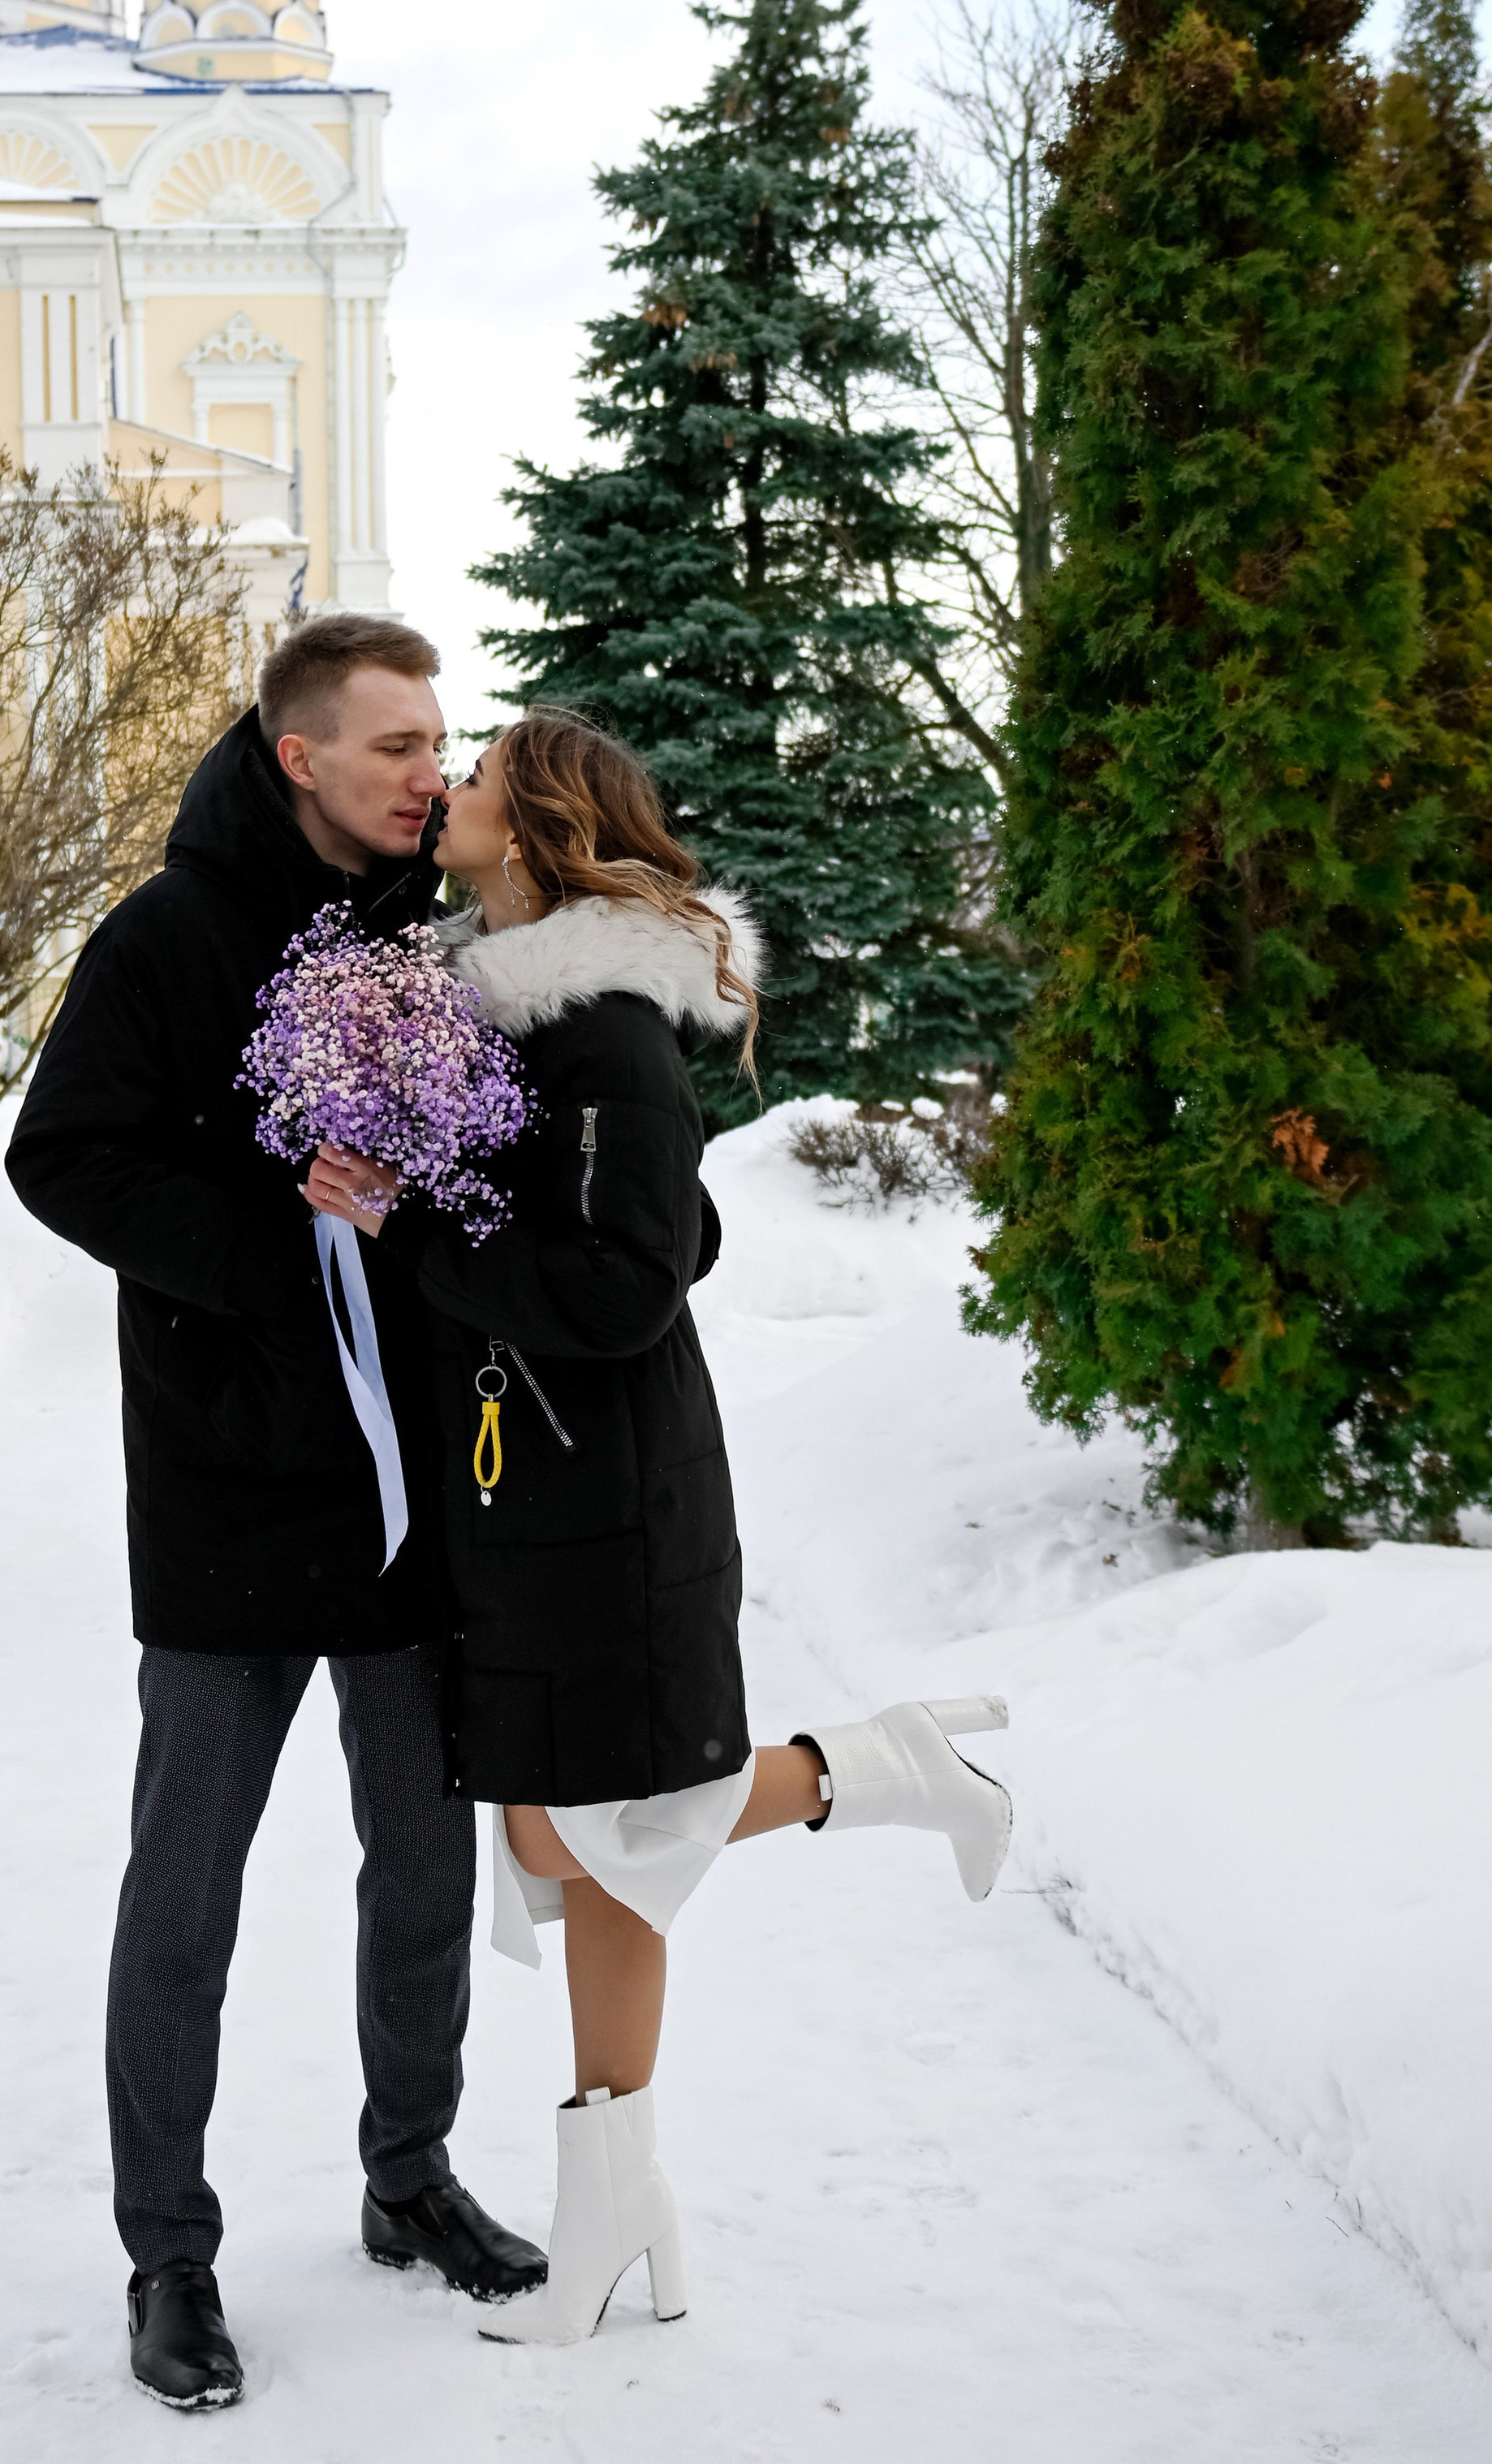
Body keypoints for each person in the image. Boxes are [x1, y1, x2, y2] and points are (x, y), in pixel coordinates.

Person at [308, 710, 1011, 2348]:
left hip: (609, 1499)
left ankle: (873, 1773)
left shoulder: (602, 1023)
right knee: (581, 1848)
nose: (447, 793)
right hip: (535, 1488)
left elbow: (625, 1282)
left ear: (538, 826)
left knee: (578, 1831)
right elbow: (666, 1222)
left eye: (473, 777)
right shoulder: (512, 1014)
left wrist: (411, 1225)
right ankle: (614, 2212)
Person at [5, 615, 545, 2414]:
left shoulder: (436, 944)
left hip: (404, 1503)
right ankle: (167, 2251)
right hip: (230, 1484)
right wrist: (267, 1248)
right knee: (189, 1884)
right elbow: (59, 1155)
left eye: (438, 741)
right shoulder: (164, 936)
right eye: (397, 744)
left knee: (420, 1855)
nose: (430, 772)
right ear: (298, 755)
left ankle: (410, 2178)